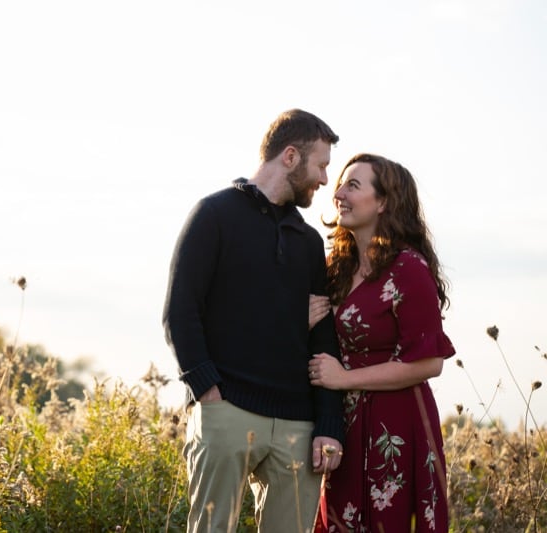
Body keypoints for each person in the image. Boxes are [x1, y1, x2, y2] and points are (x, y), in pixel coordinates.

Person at [163, 108, 345, 532]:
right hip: (227, 408)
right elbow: (181, 310)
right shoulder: (213, 215)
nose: (323, 179)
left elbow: (323, 338)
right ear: (290, 156)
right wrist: (208, 391)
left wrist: (329, 424)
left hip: (298, 425)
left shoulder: (308, 242)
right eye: (320, 165)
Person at [307, 153, 455, 532]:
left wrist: (344, 379)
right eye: (340, 183)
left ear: (384, 201)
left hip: (398, 426)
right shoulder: (335, 270)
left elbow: (429, 363)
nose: (338, 192)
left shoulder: (409, 269)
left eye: (353, 185)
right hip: (343, 426)